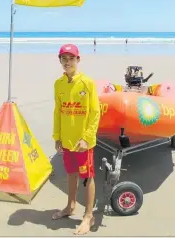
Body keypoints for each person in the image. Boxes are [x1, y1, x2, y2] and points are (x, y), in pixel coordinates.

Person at [52, 44, 101, 235]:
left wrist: (87, 138)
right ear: (60, 61)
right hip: (66, 140)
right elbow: (57, 112)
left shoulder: (87, 83)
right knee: (71, 174)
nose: (67, 62)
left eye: (71, 58)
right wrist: (57, 137)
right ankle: (70, 206)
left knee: (87, 177)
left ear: (78, 60)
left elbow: (95, 113)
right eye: (64, 58)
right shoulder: (58, 84)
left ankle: (88, 216)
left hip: (83, 143)